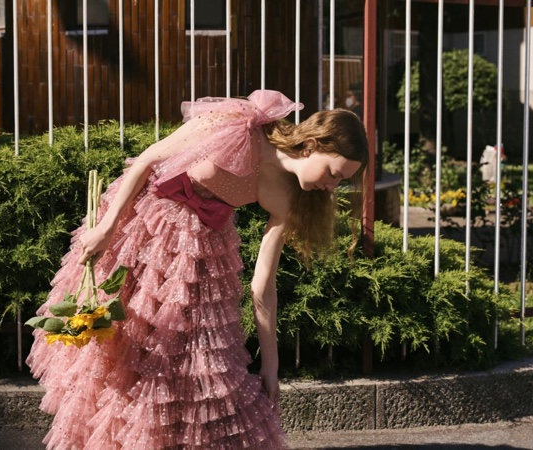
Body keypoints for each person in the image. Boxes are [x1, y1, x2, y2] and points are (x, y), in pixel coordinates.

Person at [26, 90, 369, 449]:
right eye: (333, 173)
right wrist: (107, 228)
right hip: (145, 228)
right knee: (123, 346)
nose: (331, 186)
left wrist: (271, 366)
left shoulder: (288, 199)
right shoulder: (240, 126)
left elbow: (262, 286)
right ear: (312, 144)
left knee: (195, 366)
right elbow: (146, 161)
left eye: (340, 180)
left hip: (202, 256)